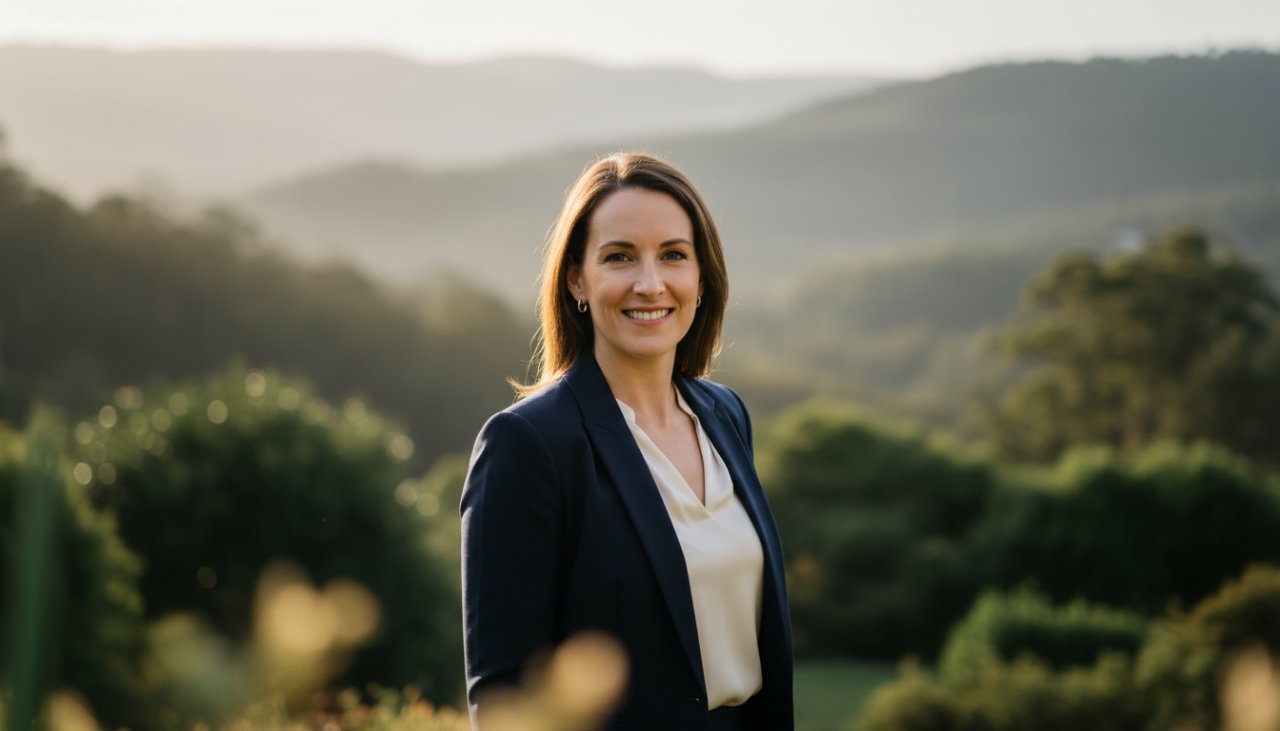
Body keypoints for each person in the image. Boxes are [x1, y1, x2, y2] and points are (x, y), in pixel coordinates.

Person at [460, 152, 793, 731]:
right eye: (619, 257)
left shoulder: (726, 415)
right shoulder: (528, 444)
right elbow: (504, 699)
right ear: (576, 279)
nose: (650, 283)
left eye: (673, 256)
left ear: (701, 276)